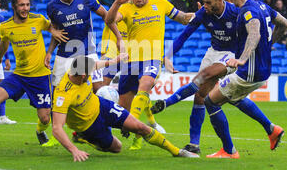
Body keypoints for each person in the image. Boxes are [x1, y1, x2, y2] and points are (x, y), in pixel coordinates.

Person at [151, 0, 284, 155]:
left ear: (220, 0)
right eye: (203, 2)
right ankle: (194, 144)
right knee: (205, 96)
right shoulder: (203, 13)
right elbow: (184, 35)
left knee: (204, 79)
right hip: (213, 52)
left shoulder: (236, 11)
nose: (204, 6)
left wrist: (264, 45)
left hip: (230, 55)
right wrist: (167, 56)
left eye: (208, 2)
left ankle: (167, 103)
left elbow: (258, 27)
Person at [203, 0, 287, 158]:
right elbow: (284, 23)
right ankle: (271, 129)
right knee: (233, 98)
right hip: (263, 70)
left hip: (249, 71)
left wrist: (242, 59)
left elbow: (254, 33)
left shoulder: (247, 10)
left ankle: (229, 150)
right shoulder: (262, 5)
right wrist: (270, 44)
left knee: (210, 101)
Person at [51, 55, 199, 161]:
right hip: (88, 125)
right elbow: (57, 128)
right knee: (117, 148)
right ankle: (83, 137)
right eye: (89, 73)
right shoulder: (63, 94)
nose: (92, 74)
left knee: (139, 126)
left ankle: (176, 151)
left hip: (102, 106)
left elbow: (96, 65)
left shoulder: (81, 70)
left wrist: (114, 61)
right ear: (82, 75)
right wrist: (74, 150)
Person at [105, 0, 195, 150]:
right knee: (123, 110)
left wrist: (201, 14)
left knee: (145, 83)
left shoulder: (161, 4)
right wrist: (117, 2)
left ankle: (138, 134)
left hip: (153, 58)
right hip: (131, 62)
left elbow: (183, 18)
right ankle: (127, 127)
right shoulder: (126, 8)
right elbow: (109, 20)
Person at [0, 0, 69, 149]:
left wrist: (54, 32)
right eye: (22, 5)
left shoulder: (38, 19)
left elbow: (51, 26)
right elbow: (4, 43)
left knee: (45, 118)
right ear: (14, 7)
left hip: (40, 76)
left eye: (28, 5)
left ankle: (39, 131)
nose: (25, 8)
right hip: (20, 75)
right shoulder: (6, 26)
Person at [45, 0, 124, 93]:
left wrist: (119, 37)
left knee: (98, 90)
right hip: (64, 54)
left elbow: (106, 16)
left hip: (88, 51)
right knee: (57, 91)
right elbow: (57, 33)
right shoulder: (52, 7)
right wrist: (49, 52)